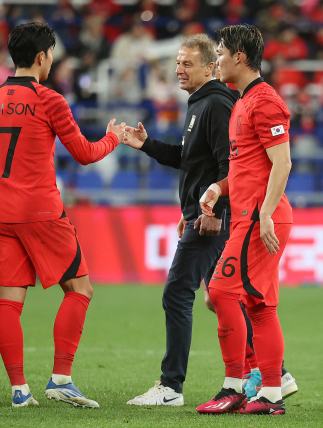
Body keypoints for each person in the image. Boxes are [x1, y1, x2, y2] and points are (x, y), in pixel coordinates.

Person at [0, 22, 125, 408]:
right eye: (52, 53)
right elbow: (85, 153)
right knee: (80, 289)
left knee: (9, 302)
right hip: (42, 210)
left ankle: (19, 390)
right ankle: (60, 379)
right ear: (42, 56)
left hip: (3, 213)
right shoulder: (50, 99)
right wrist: (114, 137)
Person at [122, 34, 235, 406]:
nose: (178, 70)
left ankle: (171, 387)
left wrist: (212, 212)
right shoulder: (200, 103)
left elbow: (228, 166)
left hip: (210, 217)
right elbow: (191, 160)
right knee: (226, 298)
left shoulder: (216, 104)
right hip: (199, 214)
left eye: (187, 63)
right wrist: (147, 145)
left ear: (210, 67)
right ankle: (273, 371)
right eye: (177, 62)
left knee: (177, 294)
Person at [196, 24, 292, 415]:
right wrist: (220, 188)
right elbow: (247, 170)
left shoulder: (264, 101)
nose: (216, 59)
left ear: (239, 56)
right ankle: (270, 392)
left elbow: (282, 163)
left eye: (219, 52)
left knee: (219, 293)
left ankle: (234, 386)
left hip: (259, 218)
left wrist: (265, 214)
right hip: (249, 215)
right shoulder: (241, 102)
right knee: (259, 306)